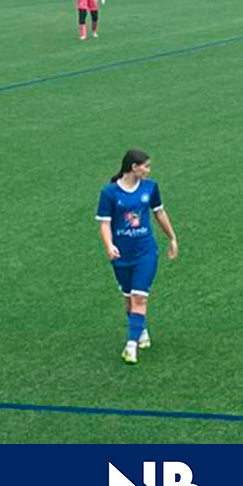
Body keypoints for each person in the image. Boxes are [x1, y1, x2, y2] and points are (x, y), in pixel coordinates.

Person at [95, 149, 178, 365]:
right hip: (121, 254)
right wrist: (109, 245)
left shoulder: (150, 188)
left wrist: (172, 238)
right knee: (129, 300)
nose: (148, 171)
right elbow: (104, 223)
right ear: (134, 167)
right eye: (146, 166)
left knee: (140, 297)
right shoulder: (109, 193)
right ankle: (140, 330)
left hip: (145, 251)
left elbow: (159, 212)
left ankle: (130, 347)